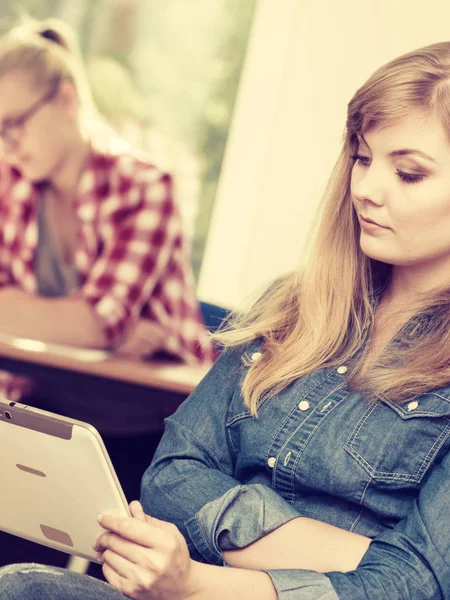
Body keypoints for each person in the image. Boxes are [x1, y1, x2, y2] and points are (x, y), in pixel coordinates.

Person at [2, 39, 450, 600]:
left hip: (203, 584)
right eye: (362, 159)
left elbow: (420, 586)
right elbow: (168, 478)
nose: (364, 189)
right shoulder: (293, 305)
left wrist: (198, 581)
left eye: (408, 174)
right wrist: (365, 554)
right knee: (20, 586)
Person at [0, 18, 214, 414]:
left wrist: (93, 330)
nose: (7, 146)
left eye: (14, 125)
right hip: (45, 395)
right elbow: (98, 328)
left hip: (147, 409)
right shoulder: (10, 183)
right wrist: (100, 332)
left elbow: (96, 324)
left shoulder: (144, 186)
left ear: (65, 100)